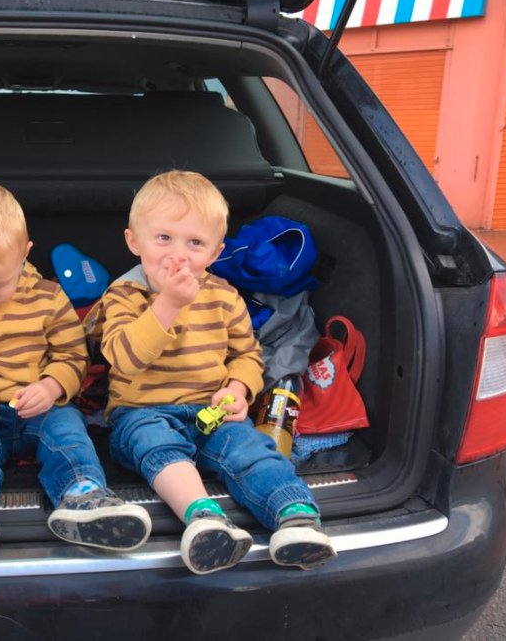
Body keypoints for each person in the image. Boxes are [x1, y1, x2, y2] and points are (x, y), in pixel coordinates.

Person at [86, 170, 336, 574]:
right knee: (158, 447)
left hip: (212, 411)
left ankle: (296, 517)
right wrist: (167, 303)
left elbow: (248, 355)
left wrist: (238, 388)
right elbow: (124, 357)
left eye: (195, 243)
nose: (178, 255)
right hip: (141, 411)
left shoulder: (223, 295)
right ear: (134, 241)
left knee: (252, 449)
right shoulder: (125, 294)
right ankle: (203, 519)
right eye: (163, 238)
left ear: (216, 251)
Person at [0, 175, 151, 554]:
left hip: (42, 408)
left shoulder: (48, 299)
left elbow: (73, 355)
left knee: (69, 435)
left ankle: (85, 497)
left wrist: (51, 387)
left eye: (1, 284)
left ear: (25, 253)